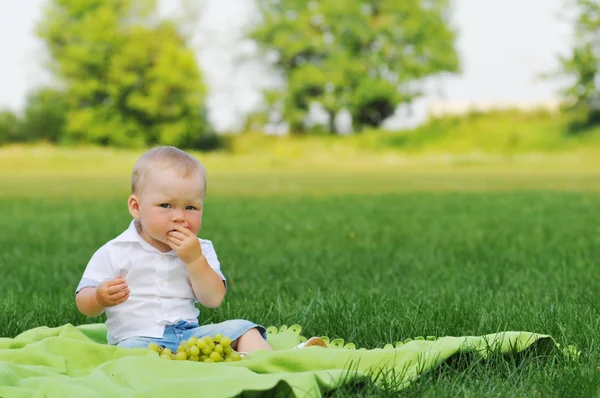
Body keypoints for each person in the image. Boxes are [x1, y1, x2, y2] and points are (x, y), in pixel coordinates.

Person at [75, 146, 326, 354]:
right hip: (137, 341)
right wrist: (98, 297)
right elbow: (83, 303)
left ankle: (271, 361)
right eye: (166, 205)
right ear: (136, 207)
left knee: (244, 328)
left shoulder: (201, 249)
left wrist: (194, 260)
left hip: (189, 336)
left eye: (191, 208)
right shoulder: (116, 250)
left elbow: (213, 299)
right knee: (134, 358)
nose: (179, 217)